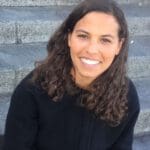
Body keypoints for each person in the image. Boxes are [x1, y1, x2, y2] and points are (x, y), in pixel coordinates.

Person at [3, 0, 140, 149]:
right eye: (83, 36)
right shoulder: (31, 92)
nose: (92, 49)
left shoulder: (126, 96)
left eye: (105, 40)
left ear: (119, 46)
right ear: (69, 37)